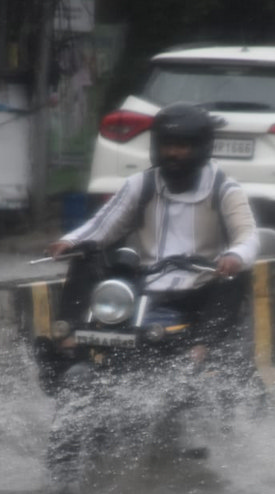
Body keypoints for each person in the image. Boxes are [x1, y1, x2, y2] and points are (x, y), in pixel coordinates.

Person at [45, 101, 260, 351]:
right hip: (142, 286)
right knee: (85, 255)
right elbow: (103, 225)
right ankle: (70, 336)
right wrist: (69, 242)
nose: (172, 153)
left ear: (201, 148)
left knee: (236, 277)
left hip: (200, 288)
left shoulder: (225, 189)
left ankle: (202, 348)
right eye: (166, 145)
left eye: (182, 146)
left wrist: (235, 256)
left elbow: (248, 237)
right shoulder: (141, 184)